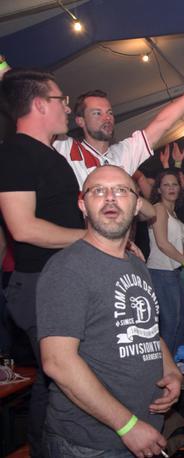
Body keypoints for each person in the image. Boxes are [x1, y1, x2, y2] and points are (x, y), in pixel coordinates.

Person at [38, 165, 182, 458]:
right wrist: (127, 425)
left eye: (121, 191)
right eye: (98, 191)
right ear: (82, 205)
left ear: (137, 205)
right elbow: (58, 362)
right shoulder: (67, 268)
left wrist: (171, 371)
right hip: (89, 445)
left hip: (142, 430)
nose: (110, 198)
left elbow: (148, 331)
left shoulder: (137, 265)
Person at [0, 68, 86, 457]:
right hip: (38, 284)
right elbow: (23, 228)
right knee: (62, 378)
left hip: (58, 281)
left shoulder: (49, 154)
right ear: (39, 104)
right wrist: (92, 240)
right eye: (60, 99)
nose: (66, 107)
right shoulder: (15, 153)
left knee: (56, 380)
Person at [51, 57, 184, 187]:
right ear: (80, 121)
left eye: (109, 113)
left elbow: (162, 123)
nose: (107, 118)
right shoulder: (65, 147)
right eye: (97, 113)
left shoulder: (123, 153)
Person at [147, 171, 184, 354]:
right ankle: (165, 365)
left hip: (173, 272)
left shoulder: (173, 212)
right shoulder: (159, 208)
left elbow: (177, 245)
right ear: (159, 190)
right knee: (171, 323)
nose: (171, 188)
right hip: (160, 272)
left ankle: (174, 360)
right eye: (166, 185)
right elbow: (162, 243)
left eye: (174, 184)